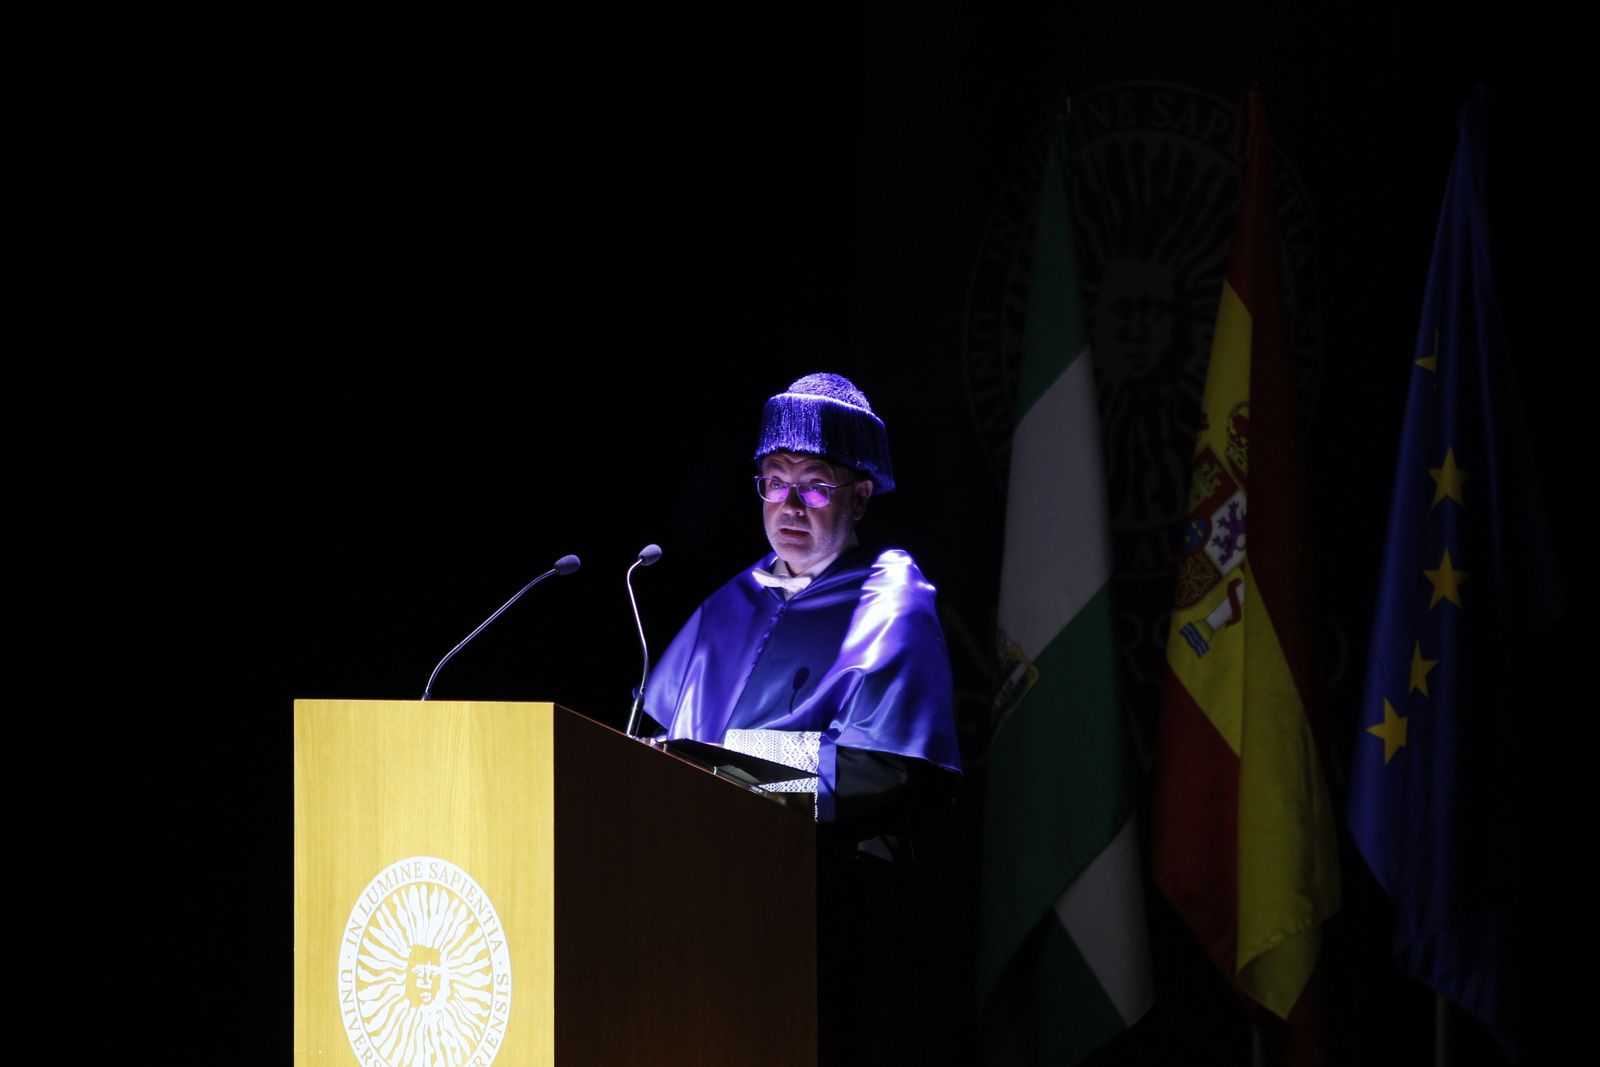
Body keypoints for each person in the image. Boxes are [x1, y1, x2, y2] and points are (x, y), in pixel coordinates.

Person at [643, 372, 961, 1064]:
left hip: (830, 900)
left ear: (862, 493)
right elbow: (648, 750)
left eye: (814, 483)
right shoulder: (728, 604)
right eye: (773, 480)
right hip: (701, 897)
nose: (789, 503)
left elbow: (886, 768)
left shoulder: (890, 599)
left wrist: (727, 769)